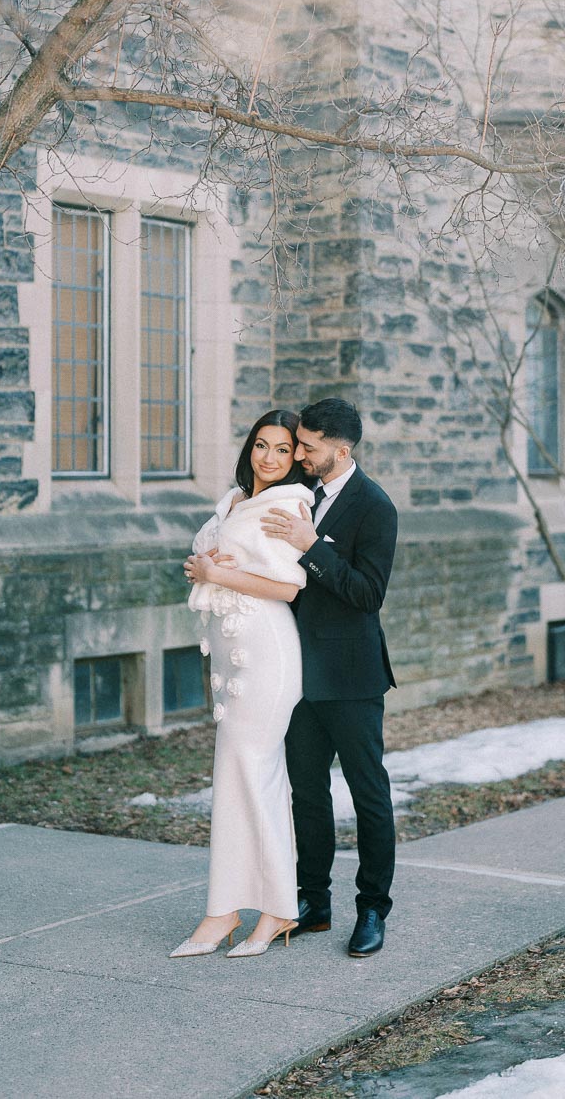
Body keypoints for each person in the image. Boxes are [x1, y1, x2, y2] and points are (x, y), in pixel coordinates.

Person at [171, 409, 315, 960]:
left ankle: (257, 908)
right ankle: (233, 907)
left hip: (267, 650)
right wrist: (201, 566)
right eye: (262, 445)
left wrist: (216, 574)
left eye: (283, 449)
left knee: (248, 771)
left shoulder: (287, 505)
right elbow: (215, 559)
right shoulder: (234, 499)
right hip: (232, 655)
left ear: (294, 457)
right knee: (243, 775)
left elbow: (288, 586)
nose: (270, 458)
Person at [260, 398, 398, 957]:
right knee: (307, 795)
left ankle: (372, 910)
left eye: (309, 446)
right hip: (296, 676)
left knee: (369, 796)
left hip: (352, 676)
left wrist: (311, 546)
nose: (300, 454)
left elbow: (368, 595)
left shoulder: (375, 507)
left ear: (341, 449)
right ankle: (313, 902)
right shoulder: (297, 495)